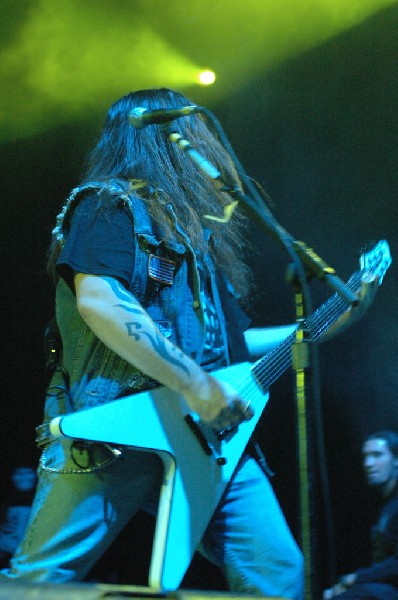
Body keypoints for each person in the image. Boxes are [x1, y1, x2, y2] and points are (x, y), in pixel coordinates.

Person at [0, 88, 378, 598]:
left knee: (278, 573)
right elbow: (102, 302)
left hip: (206, 438)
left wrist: (337, 315)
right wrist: (195, 383)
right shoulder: (107, 204)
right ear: (167, 141)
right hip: (114, 428)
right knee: (39, 582)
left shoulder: (196, 242)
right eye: (195, 137)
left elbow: (234, 345)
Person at [324, 431, 398, 599]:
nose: (368, 463)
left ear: (396, 460)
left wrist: (355, 579)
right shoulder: (384, 504)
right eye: (365, 457)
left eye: (377, 455)